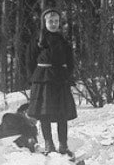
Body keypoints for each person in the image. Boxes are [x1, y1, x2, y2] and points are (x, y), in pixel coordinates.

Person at [26, 8, 78, 156]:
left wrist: (67, 75)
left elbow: (70, 61)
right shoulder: (38, 40)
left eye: (56, 21)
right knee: (45, 115)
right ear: (44, 22)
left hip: (60, 81)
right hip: (43, 81)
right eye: (50, 21)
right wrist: (34, 78)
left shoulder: (63, 40)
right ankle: (49, 144)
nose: (54, 24)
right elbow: (29, 61)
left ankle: (63, 145)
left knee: (62, 114)